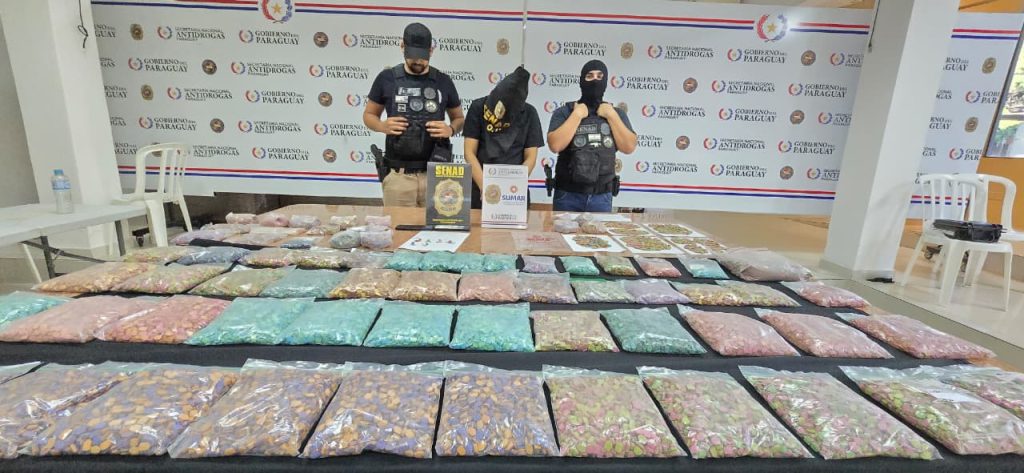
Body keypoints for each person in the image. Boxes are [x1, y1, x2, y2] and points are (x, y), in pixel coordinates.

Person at [363, 22, 465, 207]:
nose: (418, 61)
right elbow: (369, 115)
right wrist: (382, 126)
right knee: (397, 226)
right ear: (402, 46)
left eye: (423, 56)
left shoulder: (443, 81)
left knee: (437, 226)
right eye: (412, 55)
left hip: (436, 175)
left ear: (431, 51)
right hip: (399, 177)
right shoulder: (386, 78)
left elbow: (459, 118)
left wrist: (450, 129)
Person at [546, 59, 637, 212]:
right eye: (590, 76)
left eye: (600, 76)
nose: (595, 81)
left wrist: (611, 116)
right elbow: (555, 145)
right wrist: (577, 115)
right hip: (568, 195)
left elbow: (629, 147)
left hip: (602, 196)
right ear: (582, 81)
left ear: (606, 81)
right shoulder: (565, 112)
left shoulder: (615, 113)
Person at [463, 66, 543, 209]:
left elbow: (531, 157)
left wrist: (514, 186)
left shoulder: (529, 113)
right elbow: (469, 152)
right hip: (480, 186)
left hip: (514, 190)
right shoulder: (478, 107)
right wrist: (484, 186)